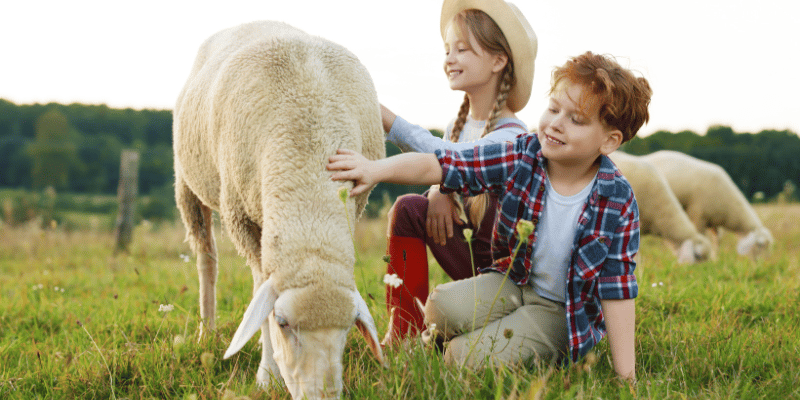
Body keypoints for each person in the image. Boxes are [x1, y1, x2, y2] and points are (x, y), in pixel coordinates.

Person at [328, 51, 652, 382]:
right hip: (514, 280)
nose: (556, 123)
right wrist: (375, 169)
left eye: (576, 120)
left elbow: (618, 289)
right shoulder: (523, 153)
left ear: (609, 141)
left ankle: (505, 347)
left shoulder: (618, 200)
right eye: (554, 109)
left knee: (461, 358)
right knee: (440, 307)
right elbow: (443, 163)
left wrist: (626, 377)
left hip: (560, 311)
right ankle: (452, 336)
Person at [379, 0, 537, 345]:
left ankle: (476, 321)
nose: (449, 58)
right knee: (407, 208)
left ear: (498, 60)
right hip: (470, 260)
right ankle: (403, 330)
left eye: (462, 49)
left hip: (508, 278)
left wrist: (387, 119)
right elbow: (450, 161)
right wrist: (440, 190)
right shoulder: (457, 126)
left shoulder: (514, 136)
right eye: (447, 49)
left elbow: (454, 161)